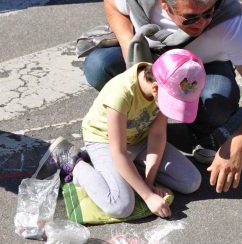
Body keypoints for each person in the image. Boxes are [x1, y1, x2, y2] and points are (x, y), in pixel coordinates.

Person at [82, 0, 242, 194]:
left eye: (208, 13)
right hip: (151, 57)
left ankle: (199, 131)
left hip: (202, 66)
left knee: (218, 100)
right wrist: (131, 53)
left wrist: (237, 143)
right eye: (190, 18)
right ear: (163, 2)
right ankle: (132, 123)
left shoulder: (230, 22)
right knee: (99, 65)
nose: (202, 24)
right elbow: (111, 2)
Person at [34, 49, 205, 219]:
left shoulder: (167, 82)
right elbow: (118, 152)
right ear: (154, 88)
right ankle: (72, 161)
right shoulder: (121, 92)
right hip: (104, 141)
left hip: (139, 138)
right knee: (120, 206)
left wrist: (148, 183)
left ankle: (129, 170)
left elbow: (157, 135)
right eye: (172, 104)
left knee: (191, 182)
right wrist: (147, 196)